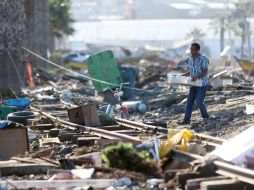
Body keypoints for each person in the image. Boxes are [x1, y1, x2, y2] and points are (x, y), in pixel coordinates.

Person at [179, 43, 210, 125]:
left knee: (199, 101)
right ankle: (186, 120)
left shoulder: (203, 59)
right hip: (193, 84)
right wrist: (185, 75)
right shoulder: (190, 59)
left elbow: (205, 71)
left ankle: (206, 117)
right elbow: (192, 71)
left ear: (197, 50)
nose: (191, 51)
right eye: (191, 49)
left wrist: (196, 76)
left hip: (202, 84)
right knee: (189, 102)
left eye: (193, 49)